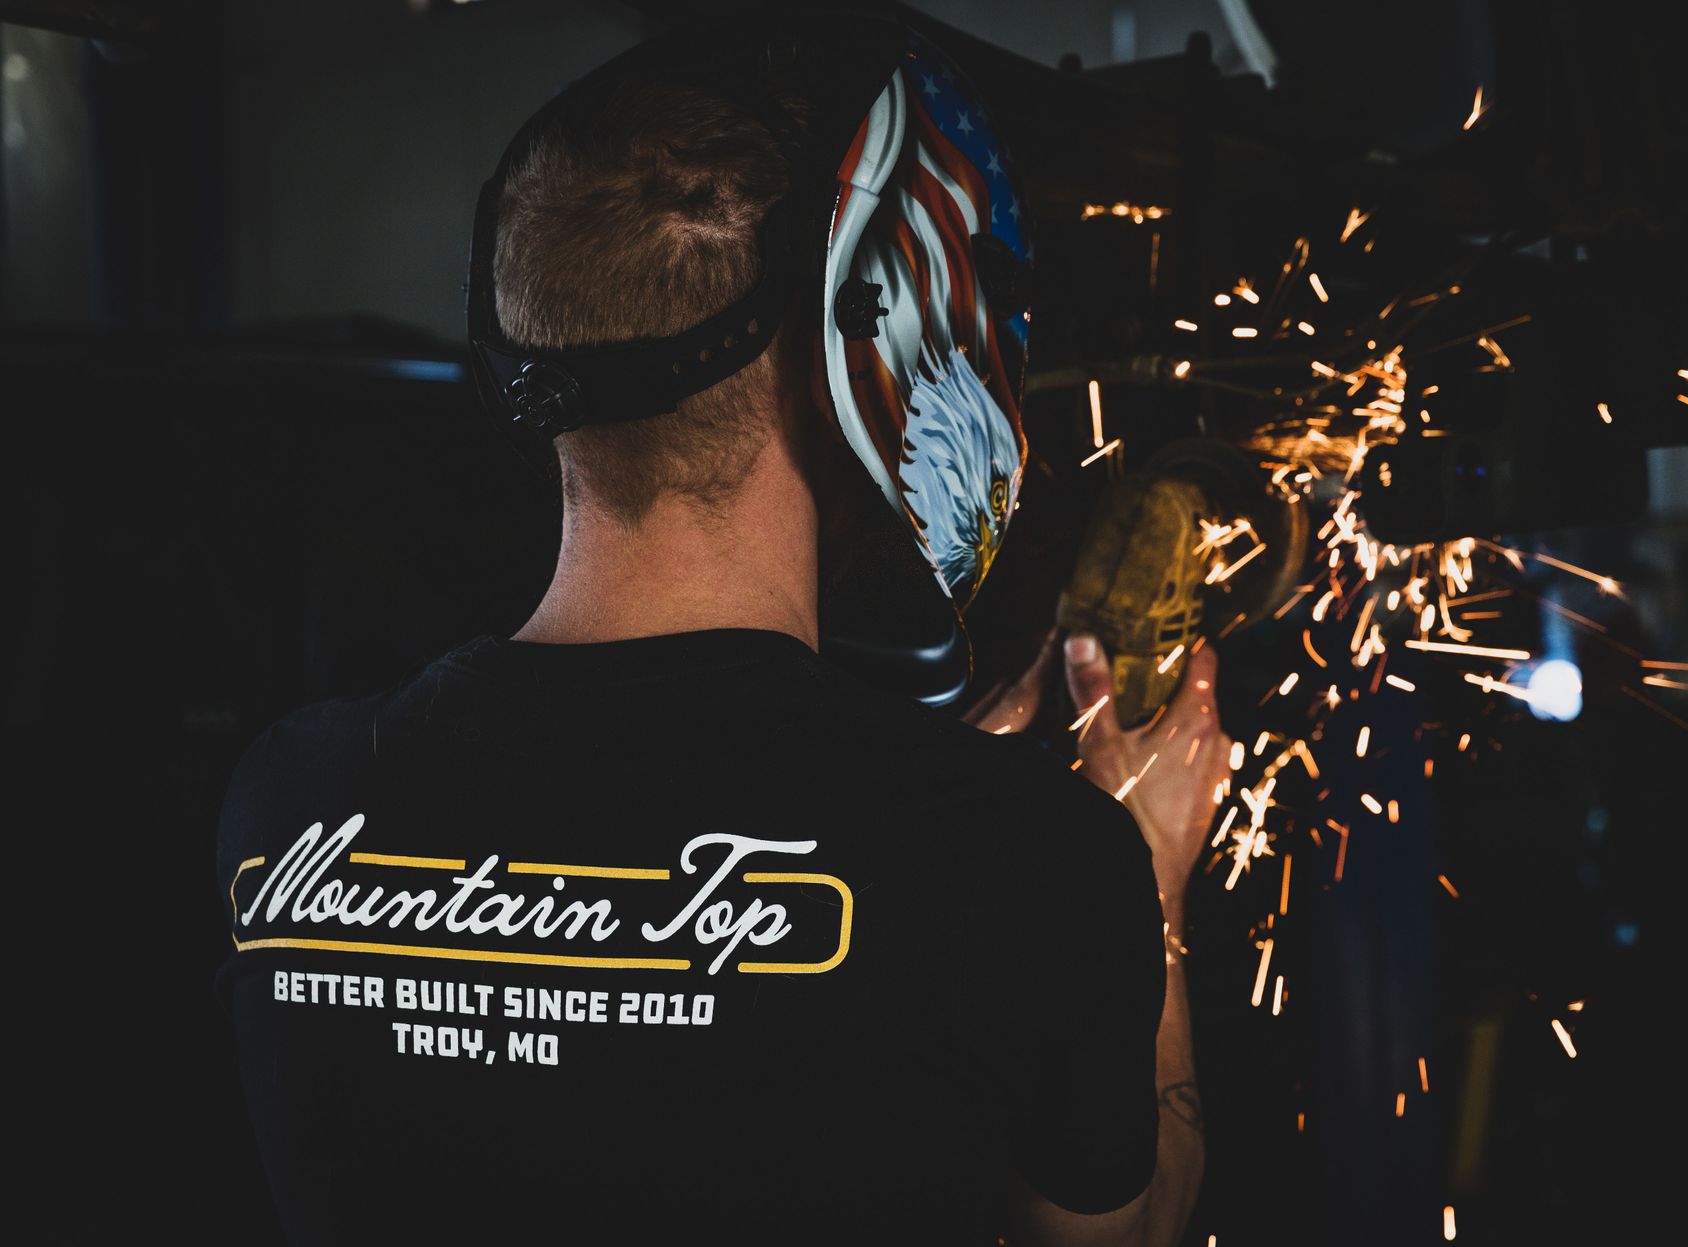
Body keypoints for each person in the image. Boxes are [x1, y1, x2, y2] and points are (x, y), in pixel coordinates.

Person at [216, 22, 1227, 1245]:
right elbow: (1128, 1230)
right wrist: (1150, 874)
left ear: (517, 352)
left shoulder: (293, 803)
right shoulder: (1029, 856)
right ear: (853, 362)